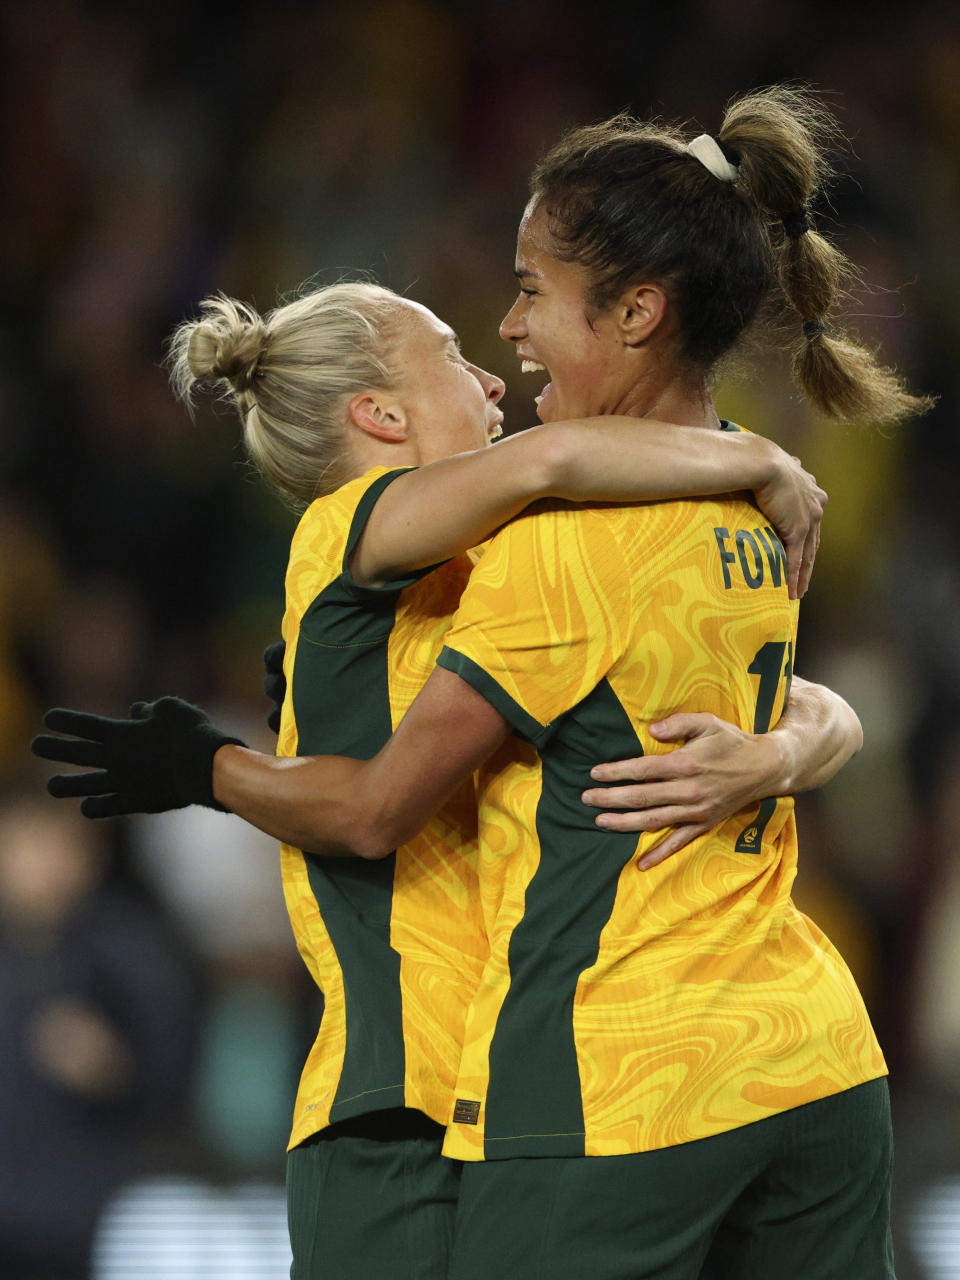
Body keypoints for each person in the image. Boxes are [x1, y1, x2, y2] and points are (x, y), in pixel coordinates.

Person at [33, 84, 898, 1279]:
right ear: (381, 414)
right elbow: (549, 474)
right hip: (426, 1097)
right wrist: (753, 451)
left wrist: (787, 747)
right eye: (457, 350)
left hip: (573, 1078)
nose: (501, 353)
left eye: (528, 294)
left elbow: (774, 688)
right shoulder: (368, 528)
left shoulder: (534, 547)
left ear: (636, 309)